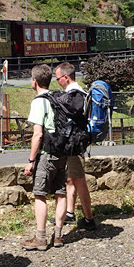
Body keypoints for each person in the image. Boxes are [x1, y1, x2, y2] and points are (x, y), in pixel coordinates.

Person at [21, 64, 68, 250]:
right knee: (60, 193)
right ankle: (58, 236)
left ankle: (41, 238)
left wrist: (31, 161)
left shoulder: (39, 102)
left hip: (47, 154)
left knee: (39, 194)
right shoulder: (59, 98)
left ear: (34, 81)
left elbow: (38, 134)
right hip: (62, 152)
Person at [53, 62, 96, 230]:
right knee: (71, 178)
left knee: (79, 180)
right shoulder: (81, 92)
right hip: (77, 142)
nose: (56, 82)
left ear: (65, 77)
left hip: (74, 144)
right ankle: (70, 213)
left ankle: (89, 219)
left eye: (57, 79)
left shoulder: (74, 95)